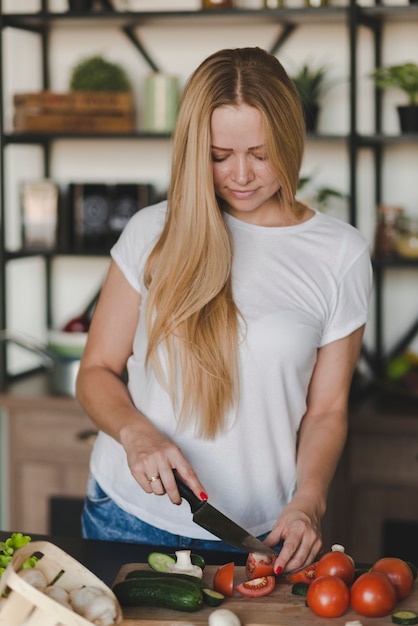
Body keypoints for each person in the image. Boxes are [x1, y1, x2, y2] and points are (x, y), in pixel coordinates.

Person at [76, 46, 372, 574]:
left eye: (261, 153)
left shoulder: (340, 253)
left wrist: (309, 501)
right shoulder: (152, 231)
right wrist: (135, 434)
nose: (241, 175)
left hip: (259, 535)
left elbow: (327, 411)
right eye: (218, 156)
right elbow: (95, 370)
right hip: (125, 517)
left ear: (290, 138)